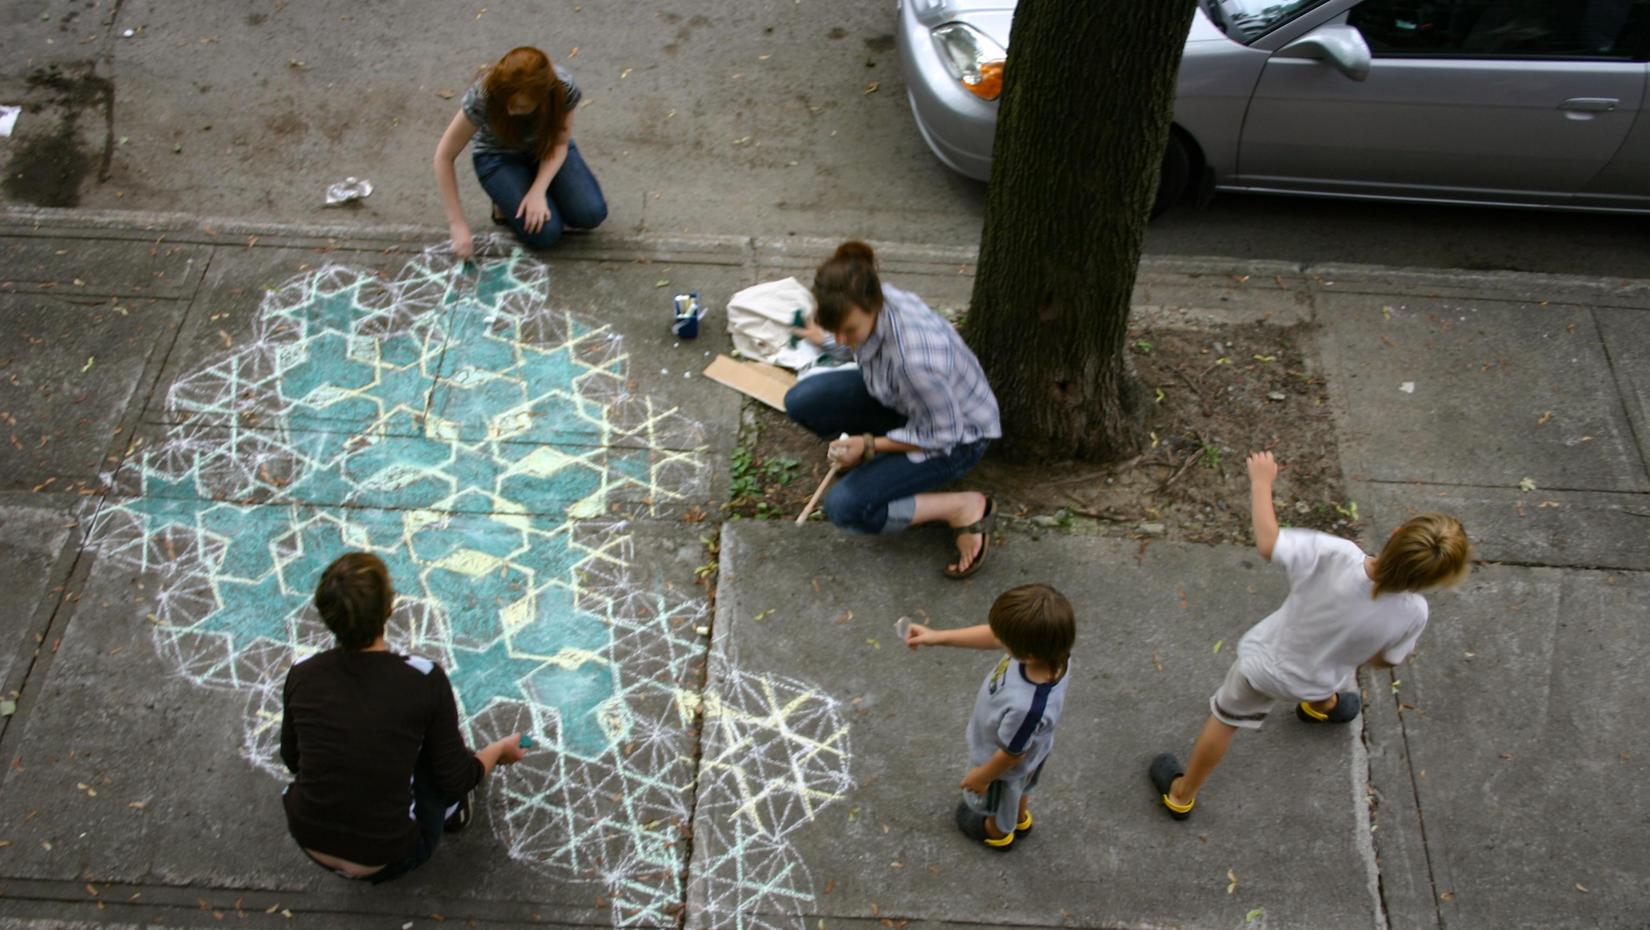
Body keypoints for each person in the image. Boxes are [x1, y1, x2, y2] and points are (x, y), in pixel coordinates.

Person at [1149, 452, 1471, 820]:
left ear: (1396, 535)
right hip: (1319, 678)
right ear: (1435, 580)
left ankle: (1182, 794)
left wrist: (1261, 482)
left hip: (1263, 668)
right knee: (1323, 681)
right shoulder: (1415, 614)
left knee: (1225, 719)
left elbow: (1269, 543)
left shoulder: (1338, 555)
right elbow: (1385, 659)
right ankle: (1321, 708)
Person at [280, 552, 527, 883]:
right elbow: (456, 778)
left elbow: (293, 759)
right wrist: (498, 751)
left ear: (326, 614)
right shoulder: (423, 679)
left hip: (310, 840)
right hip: (389, 855)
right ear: (388, 609)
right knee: (434, 751)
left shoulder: (302, 673)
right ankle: (452, 813)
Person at [786, 240, 1001, 578]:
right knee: (801, 400)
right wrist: (823, 338)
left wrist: (868, 444)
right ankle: (879, 464)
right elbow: (855, 343)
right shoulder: (872, 297)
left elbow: (942, 434)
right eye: (834, 328)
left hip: (957, 439)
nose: (840, 339)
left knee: (845, 508)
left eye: (849, 331)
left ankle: (962, 506)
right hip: (908, 403)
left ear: (872, 305)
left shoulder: (914, 361)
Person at [904, 584, 1075, 851]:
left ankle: (998, 833)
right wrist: (937, 637)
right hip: (1034, 752)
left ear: (1027, 654)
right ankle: (1020, 819)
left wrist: (983, 777)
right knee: (1022, 786)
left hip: (1001, 767)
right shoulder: (1054, 653)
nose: (999, 641)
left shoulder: (1027, 708)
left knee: (1004, 794)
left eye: (1005, 642)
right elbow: (995, 636)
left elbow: (1011, 755)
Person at [433, 46, 607, 257]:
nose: (509, 111)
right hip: (498, 157)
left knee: (591, 214)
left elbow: (559, 144)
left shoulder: (562, 88)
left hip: (546, 149)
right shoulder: (484, 93)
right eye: (505, 102)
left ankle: (534, 187)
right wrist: (457, 224)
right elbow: (444, 156)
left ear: (542, 99)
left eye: (520, 106)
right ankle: (506, 196)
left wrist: (538, 190)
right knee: (546, 233)